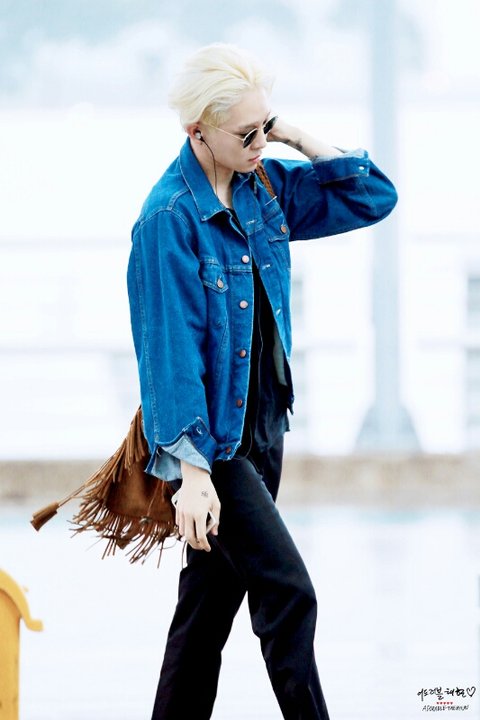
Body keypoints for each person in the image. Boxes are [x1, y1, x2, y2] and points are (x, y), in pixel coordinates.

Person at [127, 42, 397, 720]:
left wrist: (293, 136)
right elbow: (169, 352)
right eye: (245, 134)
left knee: (207, 611)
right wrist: (192, 474)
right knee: (289, 594)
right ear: (198, 132)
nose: (258, 145)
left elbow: (373, 197)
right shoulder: (168, 220)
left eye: (263, 128)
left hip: (266, 428)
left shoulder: (264, 188)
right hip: (216, 446)